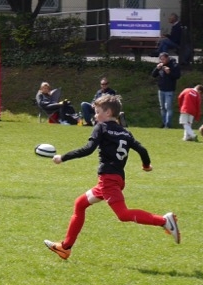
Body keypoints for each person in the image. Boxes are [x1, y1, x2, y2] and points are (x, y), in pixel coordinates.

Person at [43, 94, 180, 261]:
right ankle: (65, 248)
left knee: (123, 214)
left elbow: (88, 149)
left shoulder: (101, 127)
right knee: (80, 204)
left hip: (108, 180)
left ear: (107, 112)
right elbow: (142, 150)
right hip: (116, 179)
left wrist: (63, 158)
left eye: (97, 112)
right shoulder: (125, 132)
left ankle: (164, 221)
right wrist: (146, 166)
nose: (95, 115)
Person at [151, 52, 181, 128]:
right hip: (161, 90)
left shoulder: (174, 65)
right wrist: (157, 68)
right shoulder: (160, 65)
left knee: (168, 107)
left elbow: (177, 76)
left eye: (163, 59)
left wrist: (169, 72)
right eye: (161, 59)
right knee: (162, 108)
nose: (162, 61)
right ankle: (164, 123)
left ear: (167, 58)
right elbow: (153, 75)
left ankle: (168, 124)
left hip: (169, 90)